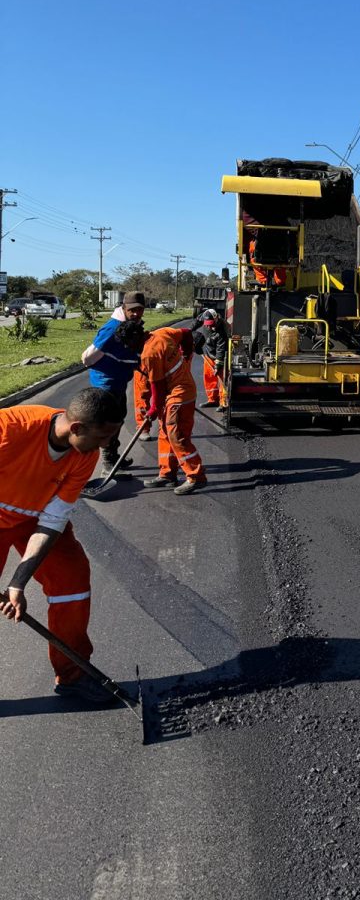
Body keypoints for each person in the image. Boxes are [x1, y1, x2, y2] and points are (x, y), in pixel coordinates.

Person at [0, 388, 124, 705]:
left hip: (33, 517)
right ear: (77, 428)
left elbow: (53, 520)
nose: (106, 445)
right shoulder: (9, 429)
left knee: (72, 578)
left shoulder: (85, 455)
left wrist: (18, 582)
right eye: (103, 436)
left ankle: (73, 675)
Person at [80, 291, 146, 470]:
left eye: (139, 310)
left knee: (118, 418)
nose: (136, 313)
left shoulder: (134, 326)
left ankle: (114, 456)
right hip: (105, 382)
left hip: (119, 380)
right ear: (124, 308)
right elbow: (88, 357)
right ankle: (107, 462)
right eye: (132, 310)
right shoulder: (112, 328)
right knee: (107, 422)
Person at [139, 325, 207, 494]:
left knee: (178, 436)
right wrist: (186, 353)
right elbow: (185, 333)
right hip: (174, 391)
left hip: (179, 394)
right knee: (165, 432)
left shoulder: (149, 354)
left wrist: (154, 409)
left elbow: (157, 386)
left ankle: (196, 476)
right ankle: (168, 474)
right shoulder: (162, 333)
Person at [192, 308, 228, 409]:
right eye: (207, 324)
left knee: (221, 380)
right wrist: (189, 332)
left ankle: (223, 402)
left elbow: (221, 350)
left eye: (211, 324)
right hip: (208, 354)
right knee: (208, 378)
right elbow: (195, 323)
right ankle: (212, 399)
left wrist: (218, 365)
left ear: (216, 320)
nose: (208, 326)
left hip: (219, 357)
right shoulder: (203, 317)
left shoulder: (222, 331)